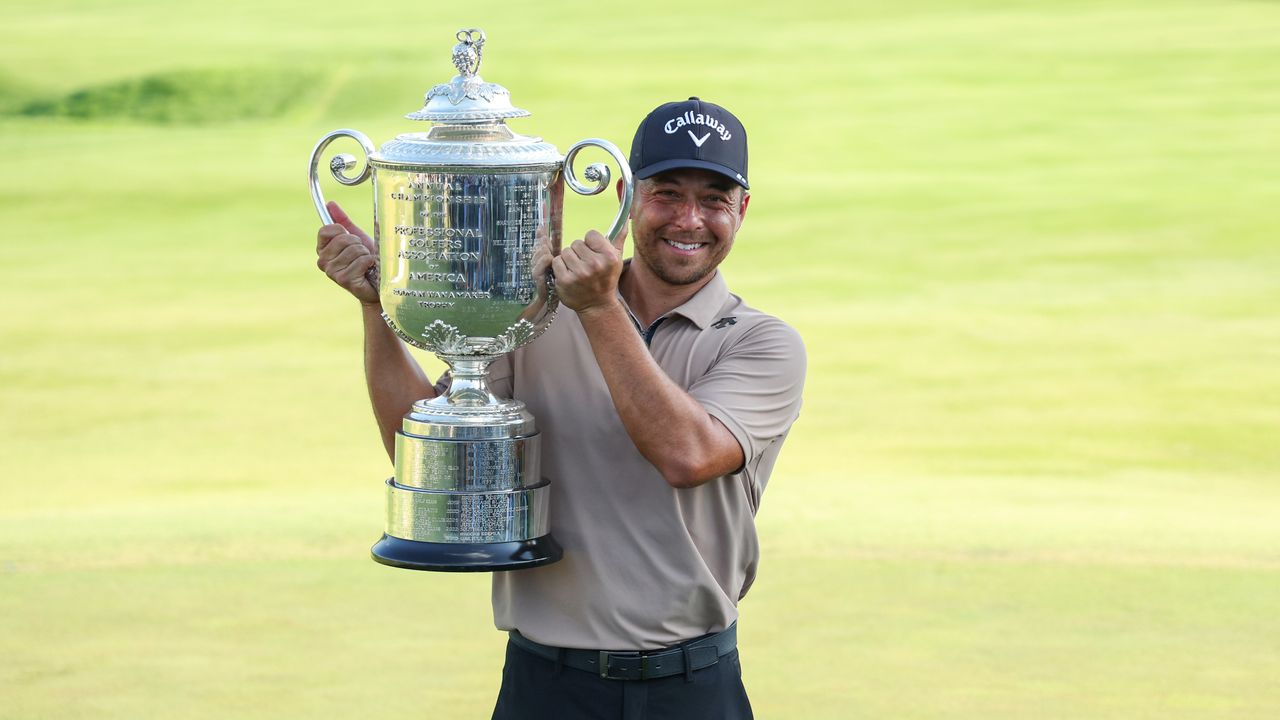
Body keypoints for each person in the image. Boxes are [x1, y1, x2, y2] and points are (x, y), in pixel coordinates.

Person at [316, 97, 806, 719]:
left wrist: (597, 309)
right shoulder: (537, 315)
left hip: (690, 686)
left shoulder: (760, 341)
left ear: (742, 210)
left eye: (714, 198)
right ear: (627, 195)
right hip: (546, 685)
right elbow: (432, 456)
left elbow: (688, 455)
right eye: (666, 193)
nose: (689, 218)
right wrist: (375, 309)